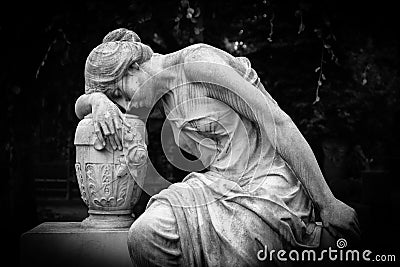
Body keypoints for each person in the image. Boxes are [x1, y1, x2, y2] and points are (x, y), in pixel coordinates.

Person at [75, 28, 360, 266]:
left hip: (264, 181)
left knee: (242, 247)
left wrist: (328, 203)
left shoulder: (198, 64)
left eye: (118, 94)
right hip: (216, 184)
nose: (123, 106)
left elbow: (278, 123)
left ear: (134, 67)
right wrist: (97, 102)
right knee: (145, 235)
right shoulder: (160, 98)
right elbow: (80, 107)